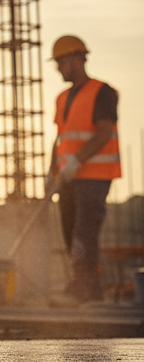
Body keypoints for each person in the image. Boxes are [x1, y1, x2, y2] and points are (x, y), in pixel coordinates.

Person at [46, 35, 120, 304]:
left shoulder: (102, 92)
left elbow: (104, 131)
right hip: (68, 178)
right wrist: (51, 172)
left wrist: (77, 160)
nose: (58, 68)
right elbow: (60, 138)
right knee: (70, 232)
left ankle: (81, 289)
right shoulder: (62, 98)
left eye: (61, 62)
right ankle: (89, 290)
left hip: (93, 176)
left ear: (77, 59)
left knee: (83, 232)